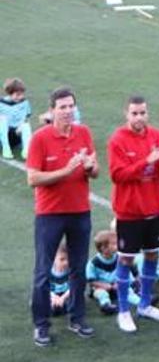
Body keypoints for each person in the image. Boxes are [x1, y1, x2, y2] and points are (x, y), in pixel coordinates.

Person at [27, 87, 98, 347]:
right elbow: (32, 178)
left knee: (79, 268)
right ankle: (41, 325)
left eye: (71, 106)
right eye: (62, 107)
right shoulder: (40, 138)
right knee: (43, 271)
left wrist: (90, 168)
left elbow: (96, 170)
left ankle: (77, 318)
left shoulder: (84, 133)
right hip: (50, 214)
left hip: (80, 211)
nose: (68, 111)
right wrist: (65, 171)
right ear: (52, 110)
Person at [106, 95, 159, 332]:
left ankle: (145, 305)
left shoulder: (156, 135)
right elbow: (118, 175)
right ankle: (124, 311)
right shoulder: (118, 140)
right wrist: (147, 161)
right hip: (129, 211)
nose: (139, 117)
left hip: (154, 207)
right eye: (134, 113)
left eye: (143, 112)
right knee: (125, 259)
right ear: (126, 114)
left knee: (153, 256)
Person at [86, 230, 140, 316]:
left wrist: (119, 283)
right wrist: (104, 285)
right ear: (104, 248)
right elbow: (91, 280)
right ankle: (106, 305)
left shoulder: (118, 257)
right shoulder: (93, 263)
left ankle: (141, 302)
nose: (117, 245)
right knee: (101, 294)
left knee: (127, 290)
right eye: (114, 244)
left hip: (117, 284)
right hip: (102, 287)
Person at [1, 77, 33, 159]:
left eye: (22, 94)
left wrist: (21, 126)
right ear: (10, 93)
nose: (20, 97)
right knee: (2, 119)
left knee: (26, 125)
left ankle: (26, 151)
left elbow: (26, 117)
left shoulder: (25, 102)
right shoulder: (1, 103)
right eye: (17, 94)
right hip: (2, 134)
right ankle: (6, 149)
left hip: (15, 134)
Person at [50, 243, 71, 316]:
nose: (66, 262)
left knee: (74, 300)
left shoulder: (71, 272)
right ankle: (53, 307)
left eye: (68, 259)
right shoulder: (48, 271)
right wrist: (54, 297)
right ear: (53, 259)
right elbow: (45, 287)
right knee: (41, 298)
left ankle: (62, 307)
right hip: (53, 295)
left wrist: (62, 298)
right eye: (62, 259)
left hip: (66, 295)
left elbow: (73, 288)